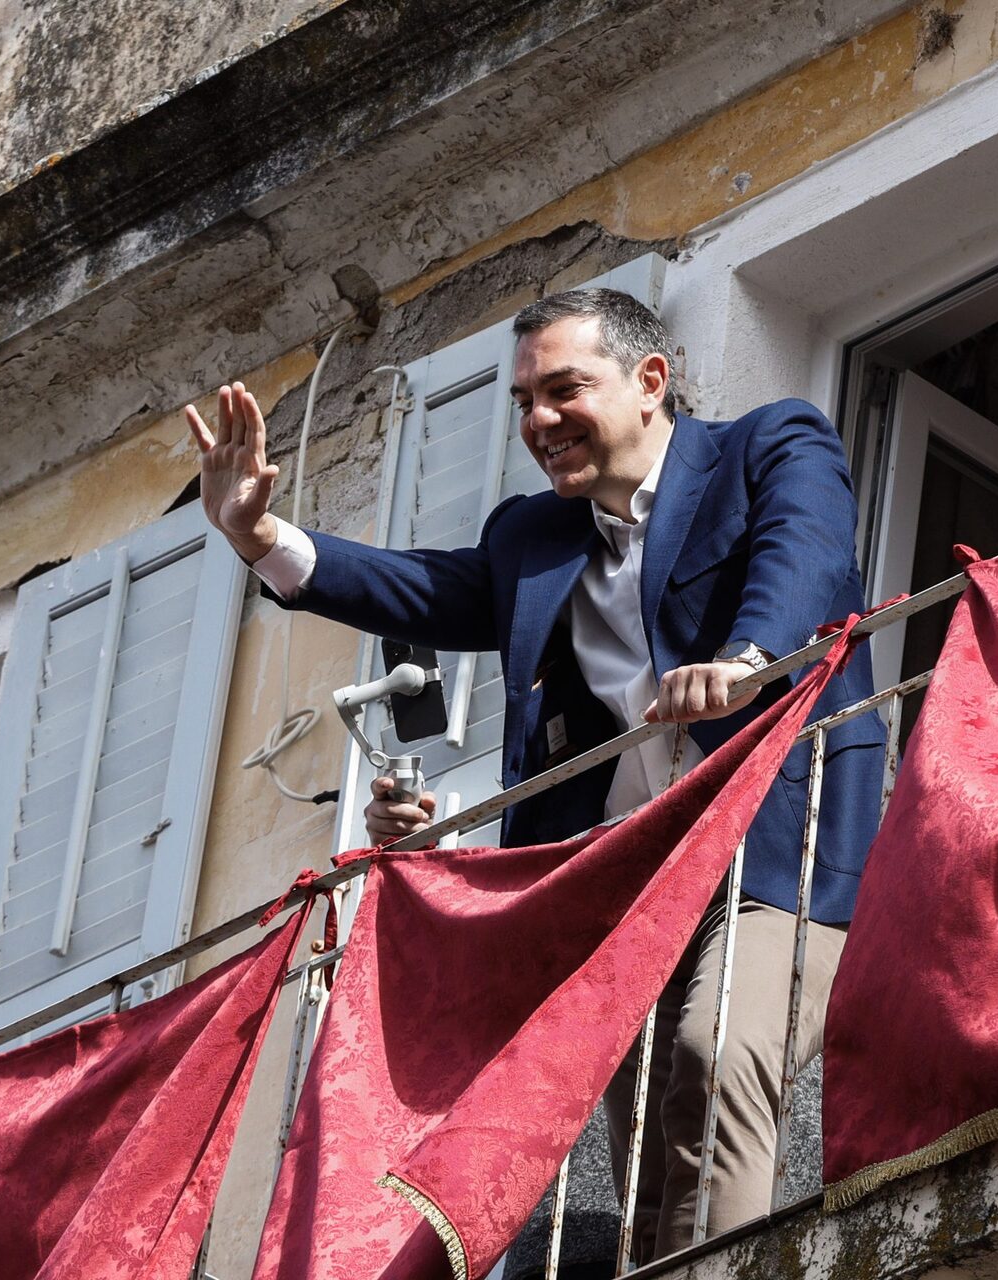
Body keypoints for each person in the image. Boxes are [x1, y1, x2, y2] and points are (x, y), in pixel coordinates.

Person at [185, 288, 885, 1259]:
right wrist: (260, 537)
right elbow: (422, 589)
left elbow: (803, 558)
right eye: (524, 401)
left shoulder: (769, 447)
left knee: (716, 1052)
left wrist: (746, 659)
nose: (538, 421)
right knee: (645, 1149)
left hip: (774, 854)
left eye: (563, 389)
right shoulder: (533, 537)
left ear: (650, 380)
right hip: (629, 885)